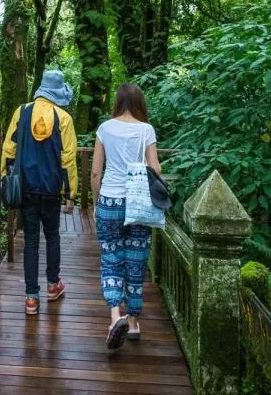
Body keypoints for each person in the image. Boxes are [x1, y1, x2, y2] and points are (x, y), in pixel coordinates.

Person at [0, 70, 79, 316]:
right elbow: (68, 159)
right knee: (53, 236)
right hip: (51, 190)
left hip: (26, 188)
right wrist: (70, 194)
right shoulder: (63, 118)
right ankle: (53, 285)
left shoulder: (21, 112)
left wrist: (5, 177)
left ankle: (31, 298)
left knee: (31, 241)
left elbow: (9, 150)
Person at [90, 83, 161, 350]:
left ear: (117, 103)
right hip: (138, 203)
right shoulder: (146, 130)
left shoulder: (105, 129)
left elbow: (96, 171)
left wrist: (96, 203)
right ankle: (132, 322)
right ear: (140, 103)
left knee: (111, 257)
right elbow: (155, 168)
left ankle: (114, 317)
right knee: (136, 260)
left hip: (110, 199)